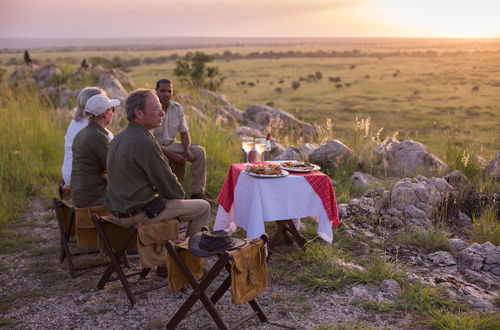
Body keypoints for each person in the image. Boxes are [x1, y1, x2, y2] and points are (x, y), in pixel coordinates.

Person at [104, 89, 210, 238]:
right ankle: (189, 255)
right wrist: (178, 197)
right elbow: (171, 189)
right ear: (139, 113)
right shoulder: (144, 141)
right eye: (156, 109)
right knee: (203, 207)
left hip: (116, 210)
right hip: (137, 214)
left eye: (160, 108)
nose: (162, 113)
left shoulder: (118, 138)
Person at [152, 79, 207, 199]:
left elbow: (184, 133)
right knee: (164, 160)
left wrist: (187, 149)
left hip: (172, 144)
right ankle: (167, 197)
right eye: (162, 91)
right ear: (156, 91)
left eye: (169, 91)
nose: (166, 94)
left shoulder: (177, 108)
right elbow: (149, 140)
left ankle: (197, 193)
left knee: (199, 152)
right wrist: (172, 155)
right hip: (155, 148)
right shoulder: (151, 109)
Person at [71, 94, 119, 208]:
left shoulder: (82, 133)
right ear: (104, 114)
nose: (113, 113)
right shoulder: (97, 136)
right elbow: (114, 168)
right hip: (93, 197)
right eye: (112, 109)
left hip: (81, 195)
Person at [61, 87, 114, 186]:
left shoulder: (75, 123)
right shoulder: (93, 130)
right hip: (82, 181)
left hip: (69, 175)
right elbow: (111, 161)